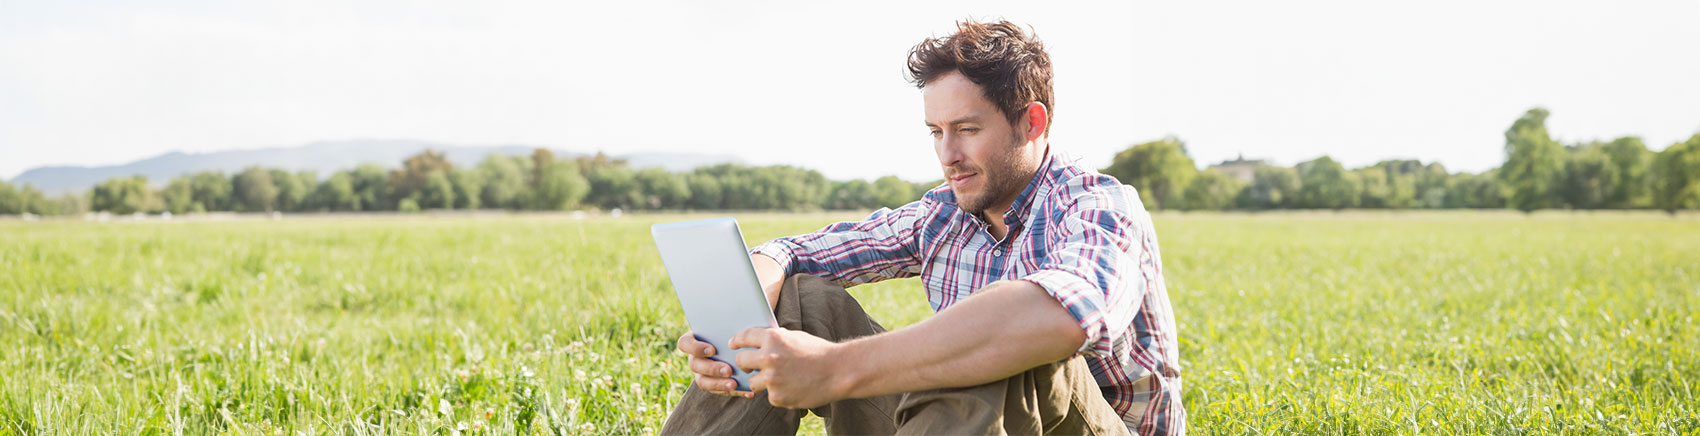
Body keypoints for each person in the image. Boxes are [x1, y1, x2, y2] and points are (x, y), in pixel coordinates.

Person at [662, 20, 1184, 436]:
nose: (948, 156)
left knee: (996, 351)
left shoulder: (1099, 205)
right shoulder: (944, 213)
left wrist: (832, 368)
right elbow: (799, 249)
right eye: (936, 132)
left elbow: (1061, 317)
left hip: (1088, 425)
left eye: (967, 130)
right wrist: (747, 309)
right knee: (799, 301)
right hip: (962, 423)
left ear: (1032, 122)